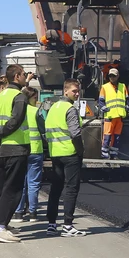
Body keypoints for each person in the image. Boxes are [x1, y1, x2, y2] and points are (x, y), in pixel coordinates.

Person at [0, 64, 32, 242]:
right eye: (23, 74)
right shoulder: (19, 97)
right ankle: (0, 227)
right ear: (17, 76)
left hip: (2, 149)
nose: (25, 77)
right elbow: (16, 121)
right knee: (13, 190)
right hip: (16, 148)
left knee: (3, 187)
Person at [44, 79, 87, 236]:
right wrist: (81, 150)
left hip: (55, 154)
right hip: (70, 154)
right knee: (71, 189)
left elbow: (47, 130)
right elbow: (75, 133)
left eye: (78, 91)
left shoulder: (54, 108)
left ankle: (51, 223)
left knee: (55, 189)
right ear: (66, 91)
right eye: (74, 91)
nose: (77, 94)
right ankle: (68, 225)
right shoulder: (70, 109)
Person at [16, 87, 44, 222]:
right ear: (29, 98)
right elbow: (43, 129)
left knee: (20, 182)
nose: (37, 100)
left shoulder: (18, 111)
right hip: (35, 150)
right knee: (33, 183)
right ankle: (32, 212)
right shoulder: (36, 111)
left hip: (21, 149)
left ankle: (18, 212)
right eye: (35, 98)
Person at [98, 68, 126, 160]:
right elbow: (101, 101)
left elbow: (127, 99)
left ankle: (114, 154)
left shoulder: (123, 86)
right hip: (110, 116)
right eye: (110, 76)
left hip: (120, 116)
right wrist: (105, 110)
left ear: (118, 76)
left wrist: (127, 108)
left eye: (113, 76)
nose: (112, 78)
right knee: (107, 136)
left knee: (117, 137)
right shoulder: (105, 87)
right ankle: (105, 155)